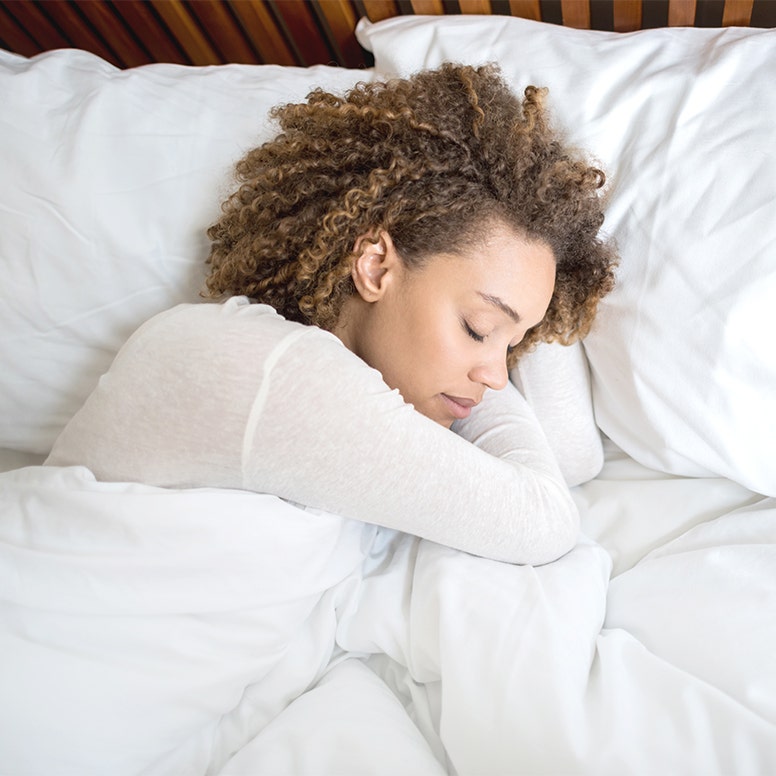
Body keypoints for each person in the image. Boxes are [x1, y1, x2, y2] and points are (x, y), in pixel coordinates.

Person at [45, 63, 617, 565]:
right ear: (374, 267)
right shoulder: (270, 371)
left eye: (513, 349)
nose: (497, 375)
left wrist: (525, 297)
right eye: (478, 328)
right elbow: (541, 519)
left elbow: (572, 459)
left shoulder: (360, 385)